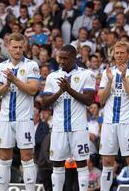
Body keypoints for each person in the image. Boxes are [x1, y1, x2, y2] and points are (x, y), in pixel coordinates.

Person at [42, 44, 96, 191]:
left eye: (66, 58)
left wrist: (69, 89)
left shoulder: (87, 74)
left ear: (74, 57)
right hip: (59, 127)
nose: (62, 61)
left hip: (78, 126)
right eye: (60, 58)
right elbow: (45, 103)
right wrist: (60, 91)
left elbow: (89, 100)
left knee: (81, 163)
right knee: (57, 164)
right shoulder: (52, 77)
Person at [0, 33, 40, 191]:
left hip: (24, 119)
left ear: (24, 47)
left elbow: (33, 89)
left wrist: (15, 80)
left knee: (27, 158)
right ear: (8, 47)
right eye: (15, 47)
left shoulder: (31, 65)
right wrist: (6, 85)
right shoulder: (0, 67)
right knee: (4, 158)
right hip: (5, 118)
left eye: (21, 47)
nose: (18, 50)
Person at [98, 41, 129, 191]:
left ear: (128, 54)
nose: (119, 55)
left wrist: (124, 79)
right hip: (109, 122)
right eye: (116, 53)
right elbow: (101, 99)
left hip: (127, 122)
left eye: (122, 52)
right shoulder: (107, 73)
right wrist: (110, 80)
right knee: (107, 161)